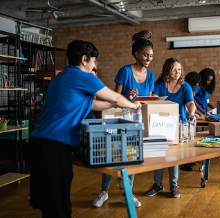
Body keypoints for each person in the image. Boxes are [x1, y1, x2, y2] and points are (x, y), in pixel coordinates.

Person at [29, 40, 141, 218]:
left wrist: (121, 104)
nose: (94, 65)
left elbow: (94, 104)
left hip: (40, 142)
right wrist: (133, 106)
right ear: (84, 59)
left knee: (49, 202)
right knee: (58, 206)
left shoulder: (63, 77)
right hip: (54, 144)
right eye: (94, 61)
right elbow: (115, 98)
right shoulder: (82, 76)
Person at [93, 30, 155, 208]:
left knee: (132, 156)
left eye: (151, 56)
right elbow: (115, 97)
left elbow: (148, 99)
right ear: (137, 53)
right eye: (145, 55)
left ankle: (127, 193)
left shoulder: (150, 75)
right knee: (112, 154)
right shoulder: (125, 71)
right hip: (120, 119)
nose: (148, 58)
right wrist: (128, 96)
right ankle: (103, 191)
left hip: (137, 120)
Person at [146, 57, 196, 198]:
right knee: (159, 154)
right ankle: (158, 184)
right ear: (167, 69)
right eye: (174, 69)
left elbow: (190, 103)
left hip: (177, 125)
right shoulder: (159, 84)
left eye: (179, 69)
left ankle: (173, 185)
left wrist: (191, 115)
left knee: (173, 156)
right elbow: (154, 101)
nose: (177, 72)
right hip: (159, 124)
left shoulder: (185, 86)